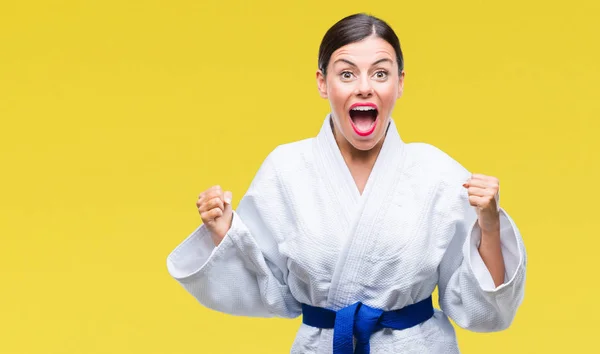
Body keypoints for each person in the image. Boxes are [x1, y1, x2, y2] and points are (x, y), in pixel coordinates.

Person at [166, 13, 527, 354]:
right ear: (323, 83)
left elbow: (484, 310)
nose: (365, 88)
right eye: (348, 74)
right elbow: (271, 291)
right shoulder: (286, 169)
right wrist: (224, 232)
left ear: (400, 83)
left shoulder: (436, 172)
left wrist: (490, 226)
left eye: (381, 74)